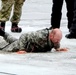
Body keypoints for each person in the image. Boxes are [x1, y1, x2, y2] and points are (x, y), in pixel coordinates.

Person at [0, 28, 67, 53]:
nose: (58, 42)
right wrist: (22, 49)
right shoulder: (40, 35)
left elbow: (55, 43)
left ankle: (3, 33)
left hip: (28, 45)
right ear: (51, 36)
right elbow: (24, 36)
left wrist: (57, 48)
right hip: (23, 45)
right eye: (57, 40)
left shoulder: (54, 38)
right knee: (4, 48)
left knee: (15, 41)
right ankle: (3, 34)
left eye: (59, 40)